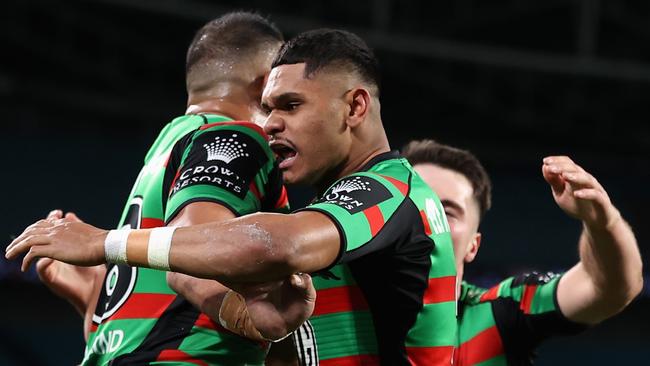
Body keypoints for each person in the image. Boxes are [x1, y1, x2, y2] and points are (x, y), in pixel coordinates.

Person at [7, 29, 458, 365]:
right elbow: (194, 271)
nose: (269, 124)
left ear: (355, 107)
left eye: (290, 105)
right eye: (268, 106)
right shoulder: (334, 218)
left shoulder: (389, 191)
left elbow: (272, 244)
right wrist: (249, 318)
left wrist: (105, 244)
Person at [19, 12, 316, 365]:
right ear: (266, 84)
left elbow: (152, 319)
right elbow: (190, 258)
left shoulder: (164, 152)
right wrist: (256, 322)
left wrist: (94, 297)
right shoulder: (236, 137)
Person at [401, 139, 643, 366]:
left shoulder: (499, 312)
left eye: (447, 212)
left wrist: (601, 223)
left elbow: (609, 287)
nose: (426, 219)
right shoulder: (361, 313)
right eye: (413, 203)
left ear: (472, 246)